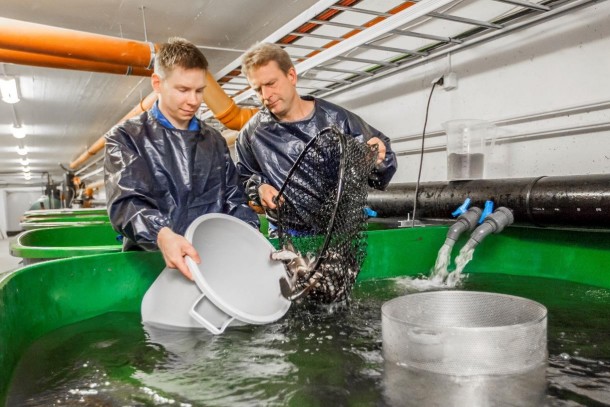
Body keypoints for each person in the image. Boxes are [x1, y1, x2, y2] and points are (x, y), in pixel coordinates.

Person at [105, 37, 259, 280]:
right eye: (183, 90)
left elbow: (234, 199)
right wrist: (162, 234)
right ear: (157, 83)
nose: (194, 101)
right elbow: (127, 203)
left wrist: (249, 235)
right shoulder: (127, 137)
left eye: (199, 91)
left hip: (210, 261)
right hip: (151, 263)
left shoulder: (214, 141)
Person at [235, 42, 397, 232]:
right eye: (257, 89)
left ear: (291, 76)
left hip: (340, 232)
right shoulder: (251, 134)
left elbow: (381, 168)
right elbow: (243, 180)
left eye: (271, 84)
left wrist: (377, 157)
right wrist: (260, 188)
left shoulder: (336, 119)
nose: (265, 95)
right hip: (287, 234)